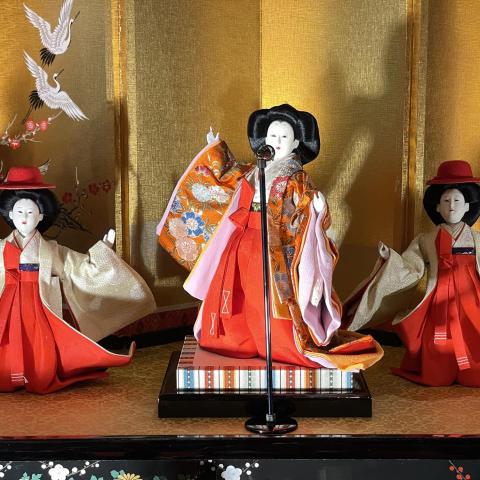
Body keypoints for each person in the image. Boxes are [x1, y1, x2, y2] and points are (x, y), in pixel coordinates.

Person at [157, 104, 382, 370]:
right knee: (236, 290)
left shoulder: (296, 177)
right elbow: (228, 177)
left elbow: (304, 206)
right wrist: (214, 149)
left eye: (284, 136)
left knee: (262, 296)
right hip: (242, 239)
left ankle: (274, 344)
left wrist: (317, 209)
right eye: (273, 135)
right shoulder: (255, 170)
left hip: (273, 246)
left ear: (296, 143)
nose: (277, 140)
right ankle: (235, 341)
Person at [0, 166, 156, 393]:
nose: (24, 217)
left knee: (38, 339)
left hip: (38, 301)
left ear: (41, 216)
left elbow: (79, 269)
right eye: (19, 211)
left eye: (30, 212)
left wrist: (103, 251)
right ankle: (10, 375)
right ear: (10, 214)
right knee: (8, 337)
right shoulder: (2, 247)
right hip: (9, 300)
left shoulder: (51, 250)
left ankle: (37, 374)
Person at [345, 160, 480, 386]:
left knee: (473, 334)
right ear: (437, 207)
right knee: (438, 339)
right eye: (446, 201)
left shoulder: (477, 239)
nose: (452, 207)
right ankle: (441, 372)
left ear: (468, 205)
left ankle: (471, 372)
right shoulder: (426, 240)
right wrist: (390, 258)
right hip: (439, 299)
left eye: (457, 201)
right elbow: (410, 268)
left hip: (471, 298)